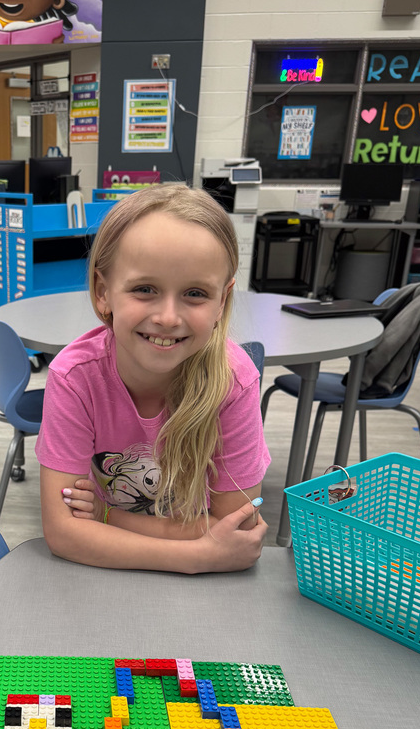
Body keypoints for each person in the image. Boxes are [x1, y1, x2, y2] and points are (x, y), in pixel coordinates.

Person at [36, 183, 270, 574]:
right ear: (102, 292)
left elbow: (237, 530)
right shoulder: (74, 378)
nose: (167, 317)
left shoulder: (234, 382)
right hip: (97, 584)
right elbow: (63, 533)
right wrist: (198, 554)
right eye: (145, 289)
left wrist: (108, 517)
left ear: (222, 302)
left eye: (195, 293)